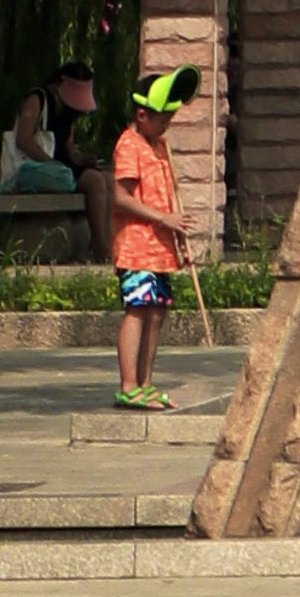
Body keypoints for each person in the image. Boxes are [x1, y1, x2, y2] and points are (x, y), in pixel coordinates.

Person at [106, 68, 197, 405]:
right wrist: (164, 219)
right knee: (138, 308)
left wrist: (177, 239)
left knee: (157, 311)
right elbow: (121, 198)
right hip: (135, 247)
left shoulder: (158, 146)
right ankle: (128, 385)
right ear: (141, 115)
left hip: (158, 247)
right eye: (162, 120)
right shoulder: (128, 146)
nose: (166, 127)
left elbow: (166, 199)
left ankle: (145, 383)